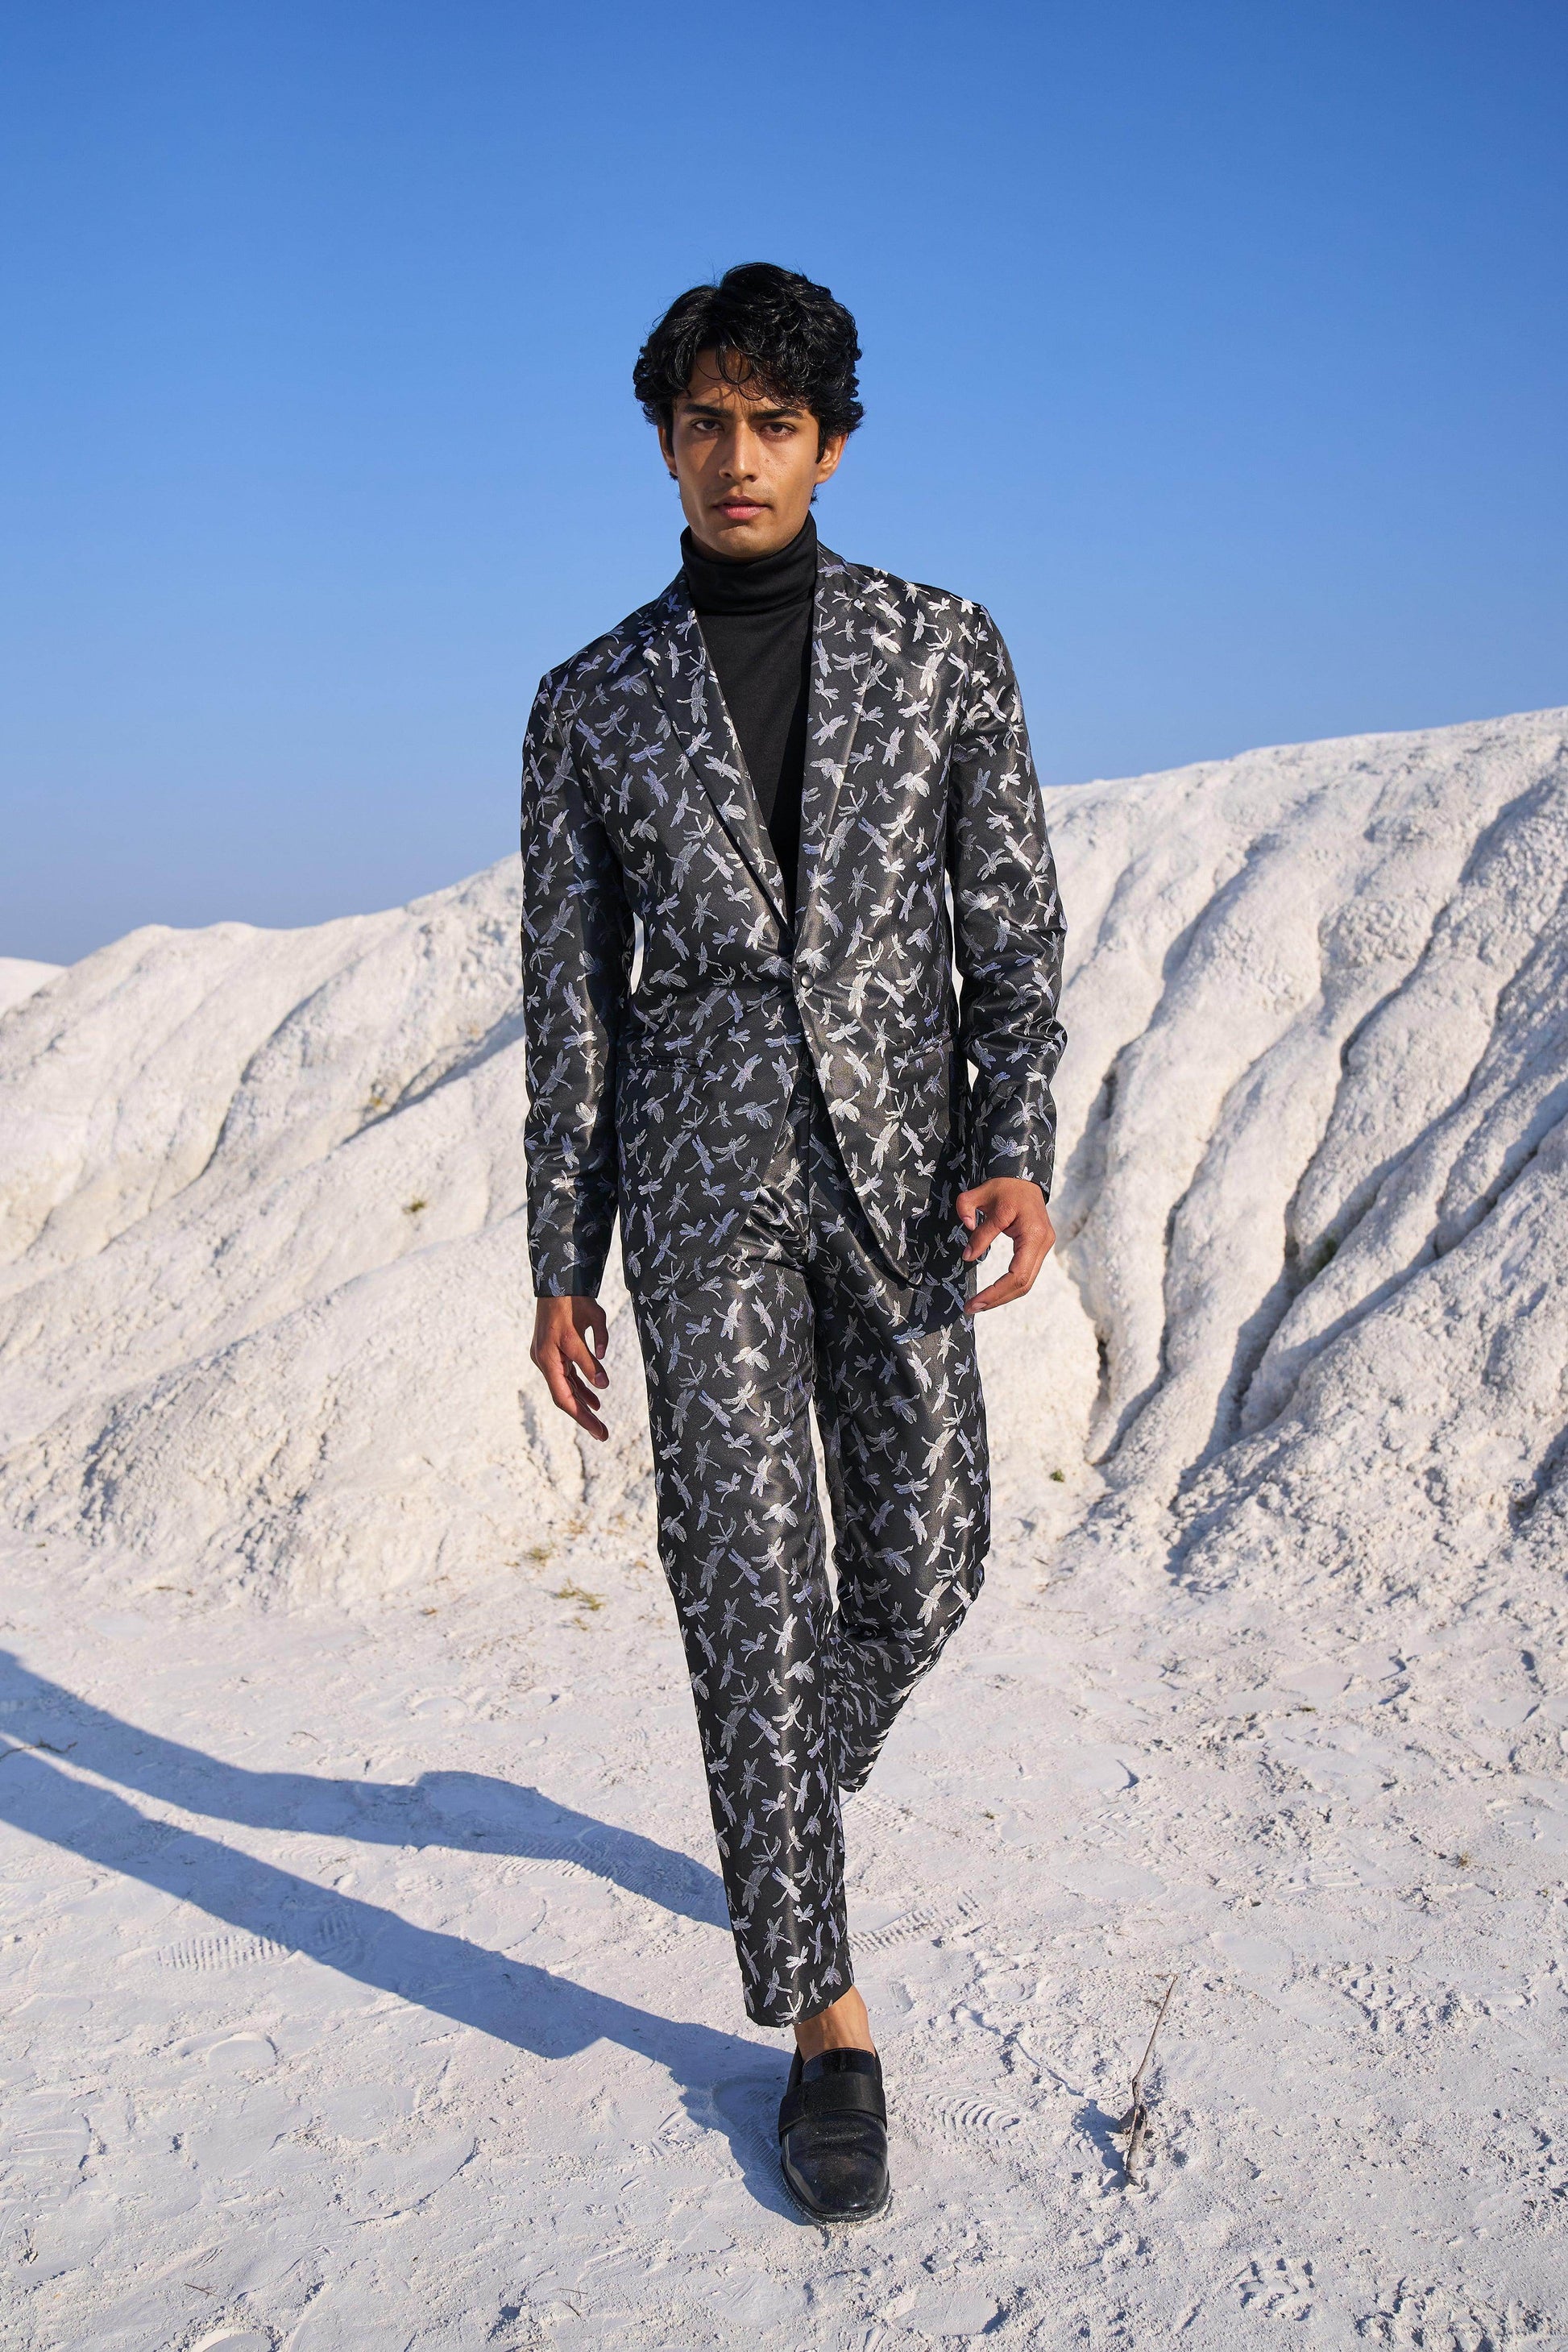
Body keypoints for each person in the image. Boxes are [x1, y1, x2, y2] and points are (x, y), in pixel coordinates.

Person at [519, 263, 1065, 2222]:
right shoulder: (587, 703)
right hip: (700, 1191)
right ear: (663, 445)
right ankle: (826, 2018)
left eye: (771, 424)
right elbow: (572, 1000)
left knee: (924, 1559)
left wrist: (1012, 1145)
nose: (733, 456)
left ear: (830, 445)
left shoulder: (943, 647)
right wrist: (563, 1247)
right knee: (747, 1574)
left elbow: (1012, 927)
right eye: (702, 423)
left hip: (903, 1180)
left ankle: (777, 1771)